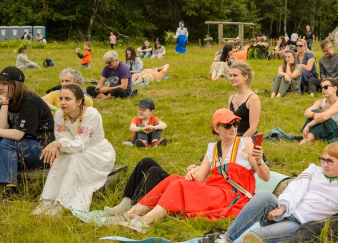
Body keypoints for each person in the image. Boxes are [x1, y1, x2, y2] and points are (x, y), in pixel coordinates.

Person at [191, 142, 338, 243]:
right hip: (287, 212)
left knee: (254, 235)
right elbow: (297, 186)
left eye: (330, 161)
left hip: (299, 225)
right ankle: (226, 239)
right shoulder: (314, 170)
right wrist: (282, 208)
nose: (324, 164)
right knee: (265, 196)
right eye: (322, 159)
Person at [119, 109, 270, 232]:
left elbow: (266, 177)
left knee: (179, 185)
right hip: (214, 190)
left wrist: (259, 161)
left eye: (235, 124)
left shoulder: (245, 144)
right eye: (228, 125)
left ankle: (145, 221)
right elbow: (200, 178)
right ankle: (132, 213)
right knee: (174, 178)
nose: (233, 128)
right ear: (216, 128)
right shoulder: (213, 148)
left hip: (232, 195)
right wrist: (193, 171)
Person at [34, 85, 116, 215]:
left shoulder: (92, 114)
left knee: (74, 157)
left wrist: (58, 144)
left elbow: (81, 143)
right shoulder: (60, 114)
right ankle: (47, 201)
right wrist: (58, 144)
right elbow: (63, 139)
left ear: (79, 102)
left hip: (97, 152)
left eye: (67, 98)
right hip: (74, 149)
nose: (62, 102)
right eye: (61, 98)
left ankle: (63, 203)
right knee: (61, 158)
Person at [0, 67, 55, 196]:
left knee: (7, 143)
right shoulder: (11, 99)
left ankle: (10, 189)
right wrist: (4, 102)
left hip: (43, 151)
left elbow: (18, 135)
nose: (1, 87)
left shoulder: (30, 101)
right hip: (23, 148)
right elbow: (2, 127)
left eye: (5, 84)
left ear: (16, 85)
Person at [300, 78, 338, 144]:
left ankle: (305, 141)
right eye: (321, 88)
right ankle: (310, 139)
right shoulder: (320, 102)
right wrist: (314, 115)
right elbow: (306, 113)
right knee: (315, 113)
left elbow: (325, 116)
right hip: (327, 128)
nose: (323, 89)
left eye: (326, 87)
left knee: (325, 119)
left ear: (335, 88)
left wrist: (308, 125)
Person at [228, 62, 261, 138]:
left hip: (249, 140)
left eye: (235, 75)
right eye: (230, 75)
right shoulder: (231, 98)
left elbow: (253, 128)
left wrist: (238, 143)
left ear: (245, 77)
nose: (231, 78)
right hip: (233, 138)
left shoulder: (253, 98)